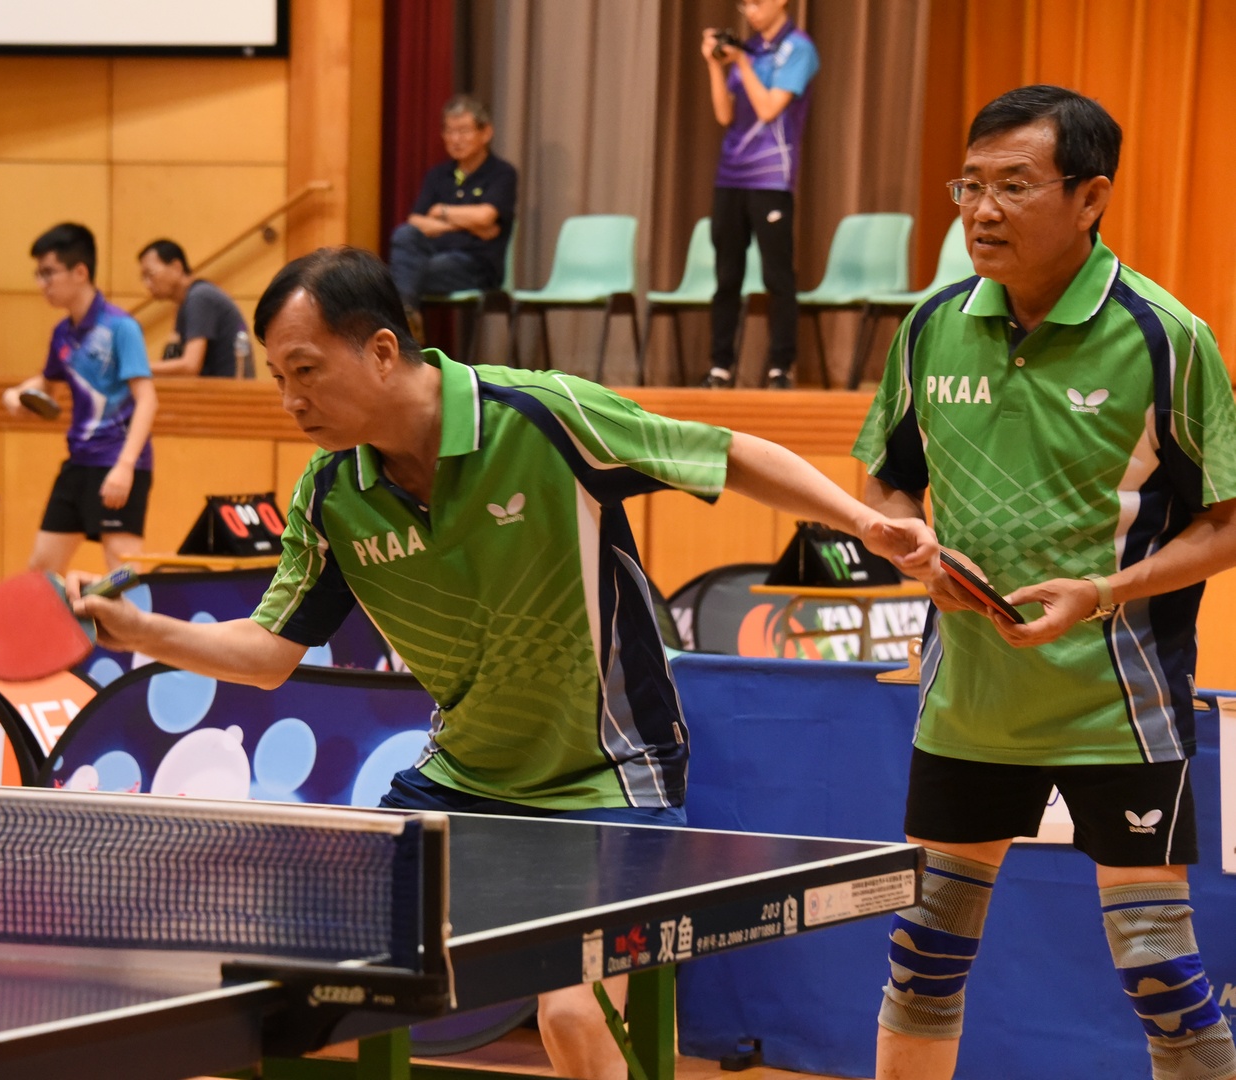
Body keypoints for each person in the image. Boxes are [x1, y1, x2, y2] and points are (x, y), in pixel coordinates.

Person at [72, 246, 939, 1080]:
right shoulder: (332, 493)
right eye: (276, 378)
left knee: (573, 1016)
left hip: (609, 775)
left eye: (306, 370)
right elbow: (268, 655)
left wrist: (863, 523)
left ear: (382, 351)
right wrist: (140, 631)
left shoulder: (538, 416)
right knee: (291, 984)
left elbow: (725, 453)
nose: (291, 400)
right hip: (463, 779)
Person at [854, 86, 1236, 1080]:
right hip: (967, 703)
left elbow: (1227, 521)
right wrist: (911, 547)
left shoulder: (1165, 337)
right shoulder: (930, 325)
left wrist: (1103, 593)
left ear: (1089, 196)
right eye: (968, 186)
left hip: (1118, 705)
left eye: (1013, 186)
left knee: (1162, 976)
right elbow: (885, 478)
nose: (982, 211)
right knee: (922, 964)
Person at [3, 223, 157, 574]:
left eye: (48, 273)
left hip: (117, 463)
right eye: (39, 274)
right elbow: (48, 384)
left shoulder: (121, 327)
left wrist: (125, 467)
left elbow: (147, 400)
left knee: (124, 573)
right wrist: (16, 393)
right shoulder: (62, 333)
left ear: (80, 272)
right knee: (42, 569)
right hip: (79, 463)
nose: (42, 284)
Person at [698, 0, 819, 390]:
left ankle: (780, 367)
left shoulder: (798, 48)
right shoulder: (749, 49)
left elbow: (768, 109)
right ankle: (720, 366)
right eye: (744, 3)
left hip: (771, 177)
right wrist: (715, 65)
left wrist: (743, 64)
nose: (750, 10)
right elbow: (724, 115)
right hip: (730, 174)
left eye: (757, 2)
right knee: (726, 275)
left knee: (777, 276)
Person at [388, 94, 518, 335]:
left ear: (486, 133)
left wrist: (441, 212)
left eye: (464, 131)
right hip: (434, 256)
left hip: (477, 266)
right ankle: (408, 317)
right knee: (404, 235)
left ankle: (404, 324)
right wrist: (467, 224)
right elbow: (415, 222)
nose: (455, 139)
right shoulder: (438, 175)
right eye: (449, 131)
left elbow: (485, 218)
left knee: (400, 276)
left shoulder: (502, 173)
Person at [137, 239, 253, 378]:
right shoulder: (186, 302)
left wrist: (135, 367)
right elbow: (173, 357)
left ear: (176, 267)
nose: (147, 284)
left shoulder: (199, 297)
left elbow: (190, 366)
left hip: (226, 389)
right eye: (143, 278)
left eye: (150, 274)